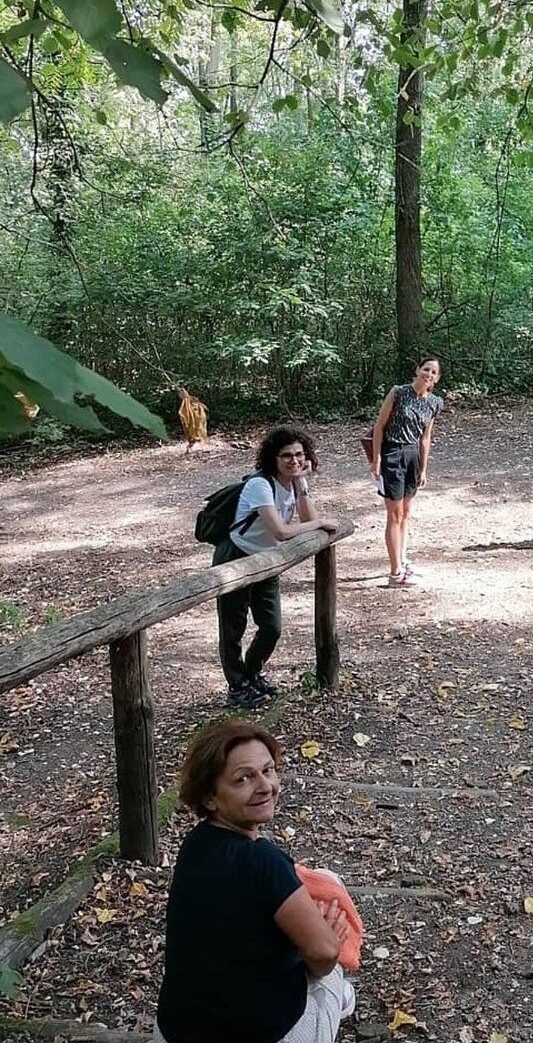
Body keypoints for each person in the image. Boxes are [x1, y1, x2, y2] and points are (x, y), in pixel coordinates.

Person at [154, 720, 356, 1043]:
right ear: (210, 797)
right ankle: (338, 999)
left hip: (174, 1033)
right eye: (243, 778)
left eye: (268, 770)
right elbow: (324, 952)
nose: (265, 786)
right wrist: (327, 942)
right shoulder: (262, 861)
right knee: (332, 932)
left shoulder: (194, 846)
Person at [215, 427, 337, 710]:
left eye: (299, 455)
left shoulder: (294, 482)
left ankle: (252, 672)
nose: (294, 461)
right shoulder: (260, 485)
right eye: (286, 456)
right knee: (233, 626)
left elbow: (308, 518)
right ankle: (238, 686)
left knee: (271, 626)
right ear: (273, 458)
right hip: (236, 555)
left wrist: (302, 482)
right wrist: (319, 524)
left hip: (268, 559)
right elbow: (282, 531)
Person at [370, 357, 444, 587]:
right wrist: (377, 458)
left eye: (433, 372)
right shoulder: (398, 393)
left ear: (437, 378)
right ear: (417, 370)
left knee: (406, 513)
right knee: (393, 514)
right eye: (426, 369)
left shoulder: (434, 403)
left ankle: (403, 560)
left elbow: (425, 437)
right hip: (392, 451)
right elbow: (379, 427)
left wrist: (423, 468)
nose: (428, 374)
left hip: (413, 455)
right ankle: (395, 574)